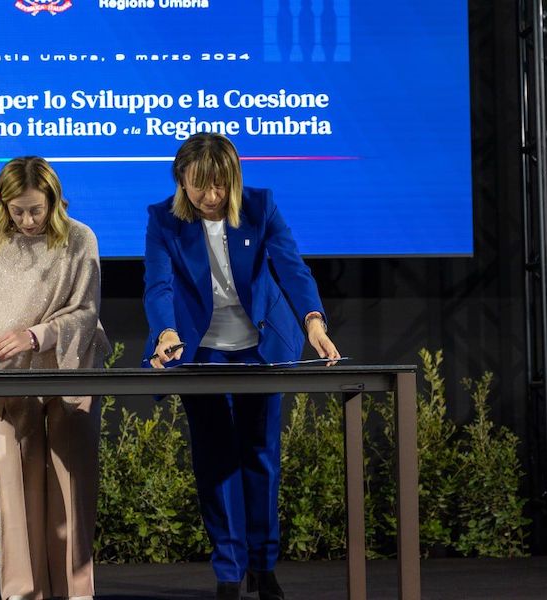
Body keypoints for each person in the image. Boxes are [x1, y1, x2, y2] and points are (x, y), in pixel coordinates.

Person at [142, 133, 340, 600]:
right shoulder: (163, 219)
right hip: (200, 351)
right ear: (181, 180)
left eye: (219, 185)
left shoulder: (260, 206)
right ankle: (229, 573)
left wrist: (313, 322)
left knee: (261, 456)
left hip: (260, 348)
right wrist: (165, 332)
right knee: (215, 461)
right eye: (199, 185)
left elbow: (292, 268)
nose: (211, 196)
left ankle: (263, 566)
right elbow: (158, 285)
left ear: (233, 180)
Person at [0, 156, 110, 600]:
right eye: (18, 211)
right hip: (7, 375)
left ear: (53, 200)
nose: (28, 220)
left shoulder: (80, 239)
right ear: (2, 205)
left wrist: (36, 335)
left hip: (70, 370)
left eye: (36, 210)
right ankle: (23, 592)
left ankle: (76, 592)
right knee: (15, 484)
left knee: (72, 480)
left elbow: (86, 312)